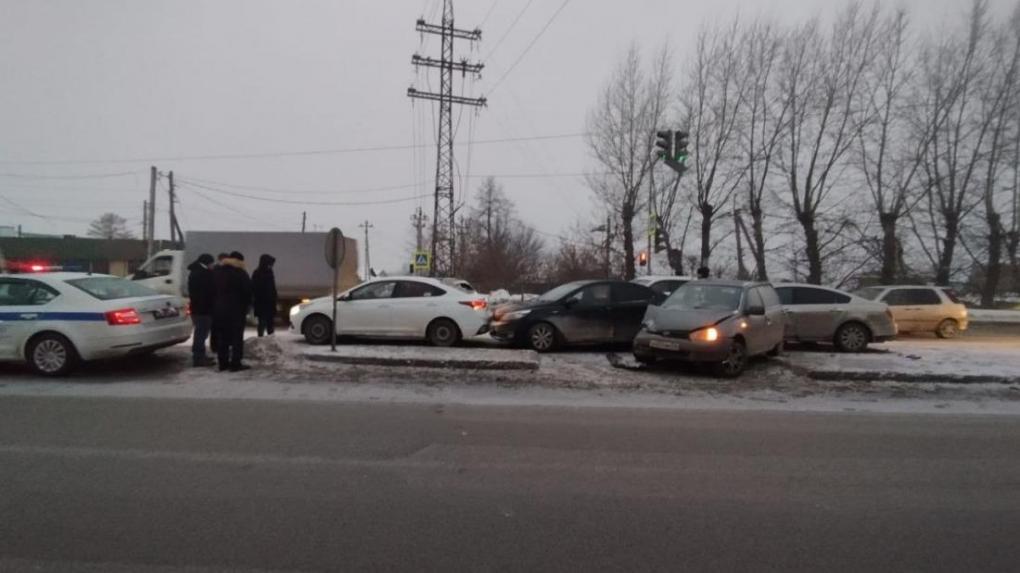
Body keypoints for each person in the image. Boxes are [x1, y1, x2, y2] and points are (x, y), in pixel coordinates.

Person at [212, 251, 252, 372]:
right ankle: (235, 363)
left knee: (223, 337)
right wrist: (247, 306)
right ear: (240, 261)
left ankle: (222, 363)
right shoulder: (240, 273)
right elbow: (247, 292)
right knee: (236, 338)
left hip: (219, 310)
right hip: (236, 310)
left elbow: (212, 291)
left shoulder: (218, 272)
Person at [186, 253, 216, 367]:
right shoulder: (201, 274)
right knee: (201, 333)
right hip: (202, 309)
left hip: (200, 308)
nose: (213, 265)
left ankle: (200, 355)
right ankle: (198, 358)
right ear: (207, 262)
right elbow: (204, 292)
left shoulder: (198, 272)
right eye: (211, 263)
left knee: (202, 333)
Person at [251, 254, 278, 337]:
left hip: (263, 303)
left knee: (264, 323)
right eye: (270, 264)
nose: (271, 266)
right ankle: (266, 339)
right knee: (266, 323)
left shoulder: (258, 273)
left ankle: (263, 338)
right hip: (265, 302)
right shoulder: (266, 273)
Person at [209, 252, 230, 354]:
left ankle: (216, 346)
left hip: (217, 303)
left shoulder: (214, 270)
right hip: (218, 303)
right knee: (217, 327)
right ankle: (216, 346)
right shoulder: (217, 270)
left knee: (217, 327)